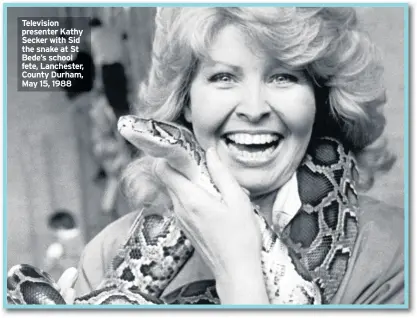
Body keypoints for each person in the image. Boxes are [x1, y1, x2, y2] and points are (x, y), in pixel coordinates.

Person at [59, 7, 404, 305]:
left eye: (284, 77)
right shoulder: (106, 254)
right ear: (186, 102)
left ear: (319, 100)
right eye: (223, 77)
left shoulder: (397, 255)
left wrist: (239, 276)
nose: (254, 110)